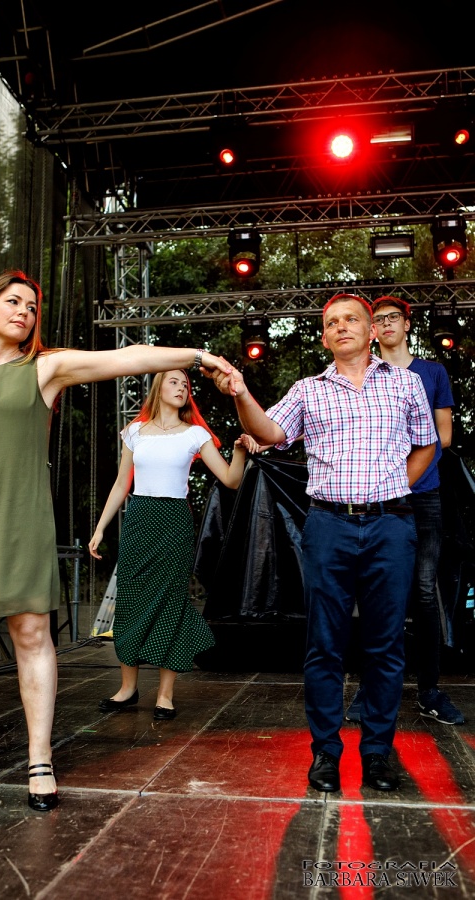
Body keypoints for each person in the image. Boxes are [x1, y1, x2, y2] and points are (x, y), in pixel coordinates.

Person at [0, 270, 232, 811]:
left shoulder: (45, 368)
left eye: (33, 306)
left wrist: (198, 356)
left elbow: (130, 357)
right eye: (13, 301)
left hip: (19, 518)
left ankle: (39, 757)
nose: (25, 311)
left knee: (31, 631)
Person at [208, 294, 438, 792]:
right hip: (329, 525)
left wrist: (393, 488)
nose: (342, 326)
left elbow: (426, 445)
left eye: (351, 319)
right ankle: (326, 754)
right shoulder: (308, 390)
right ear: (325, 337)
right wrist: (240, 393)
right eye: (332, 322)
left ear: (371, 331)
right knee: (324, 645)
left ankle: (376, 754)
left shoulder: (407, 383)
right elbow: (269, 432)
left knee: (385, 645)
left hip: (390, 526)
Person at [89, 369, 258, 719]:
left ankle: (165, 695)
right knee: (131, 600)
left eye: (186, 384)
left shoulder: (195, 434)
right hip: (139, 519)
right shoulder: (135, 431)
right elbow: (121, 484)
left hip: (174, 522)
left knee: (171, 603)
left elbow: (231, 479)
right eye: (174, 381)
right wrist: (101, 528)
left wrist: (239, 450)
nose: (181, 387)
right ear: (158, 388)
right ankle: (128, 688)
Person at [345, 297, 464, 725]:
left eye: (393, 317)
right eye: (378, 320)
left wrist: (396, 458)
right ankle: (371, 688)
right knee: (374, 594)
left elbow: (443, 437)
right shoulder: (364, 374)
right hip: (381, 501)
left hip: (422, 496)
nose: (385, 324)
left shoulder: (431, 373)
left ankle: (429, 690)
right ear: (371, 330)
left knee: (425, 591)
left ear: (407, 324)